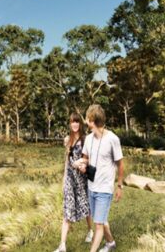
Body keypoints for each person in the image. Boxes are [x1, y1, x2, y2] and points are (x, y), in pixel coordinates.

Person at [80, 104, 124, 252]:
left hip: (105, 189)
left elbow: (120, 164)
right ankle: (110, 243)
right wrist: (81, 164)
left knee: (98, 224)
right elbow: (85, 158)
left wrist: (119, 186)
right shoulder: (88, 139)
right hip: (91, 187)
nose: (85, 121)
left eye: (87, 118)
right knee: (101, 219)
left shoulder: (113, 139)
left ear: (92, 120)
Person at [54, 112, 94, 252]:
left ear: (80, 123)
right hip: (70, 179)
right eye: (72, 122)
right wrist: (64, 178)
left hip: (81, 179)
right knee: (68, 209)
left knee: (86, 207)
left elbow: (90, 159)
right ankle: (62, 245)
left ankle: (90, 230)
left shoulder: (86, 139)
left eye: (77, 122)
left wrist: (81, 163)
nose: (75, 124)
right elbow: (67, 160)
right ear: (70, 124)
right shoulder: (67, 140)